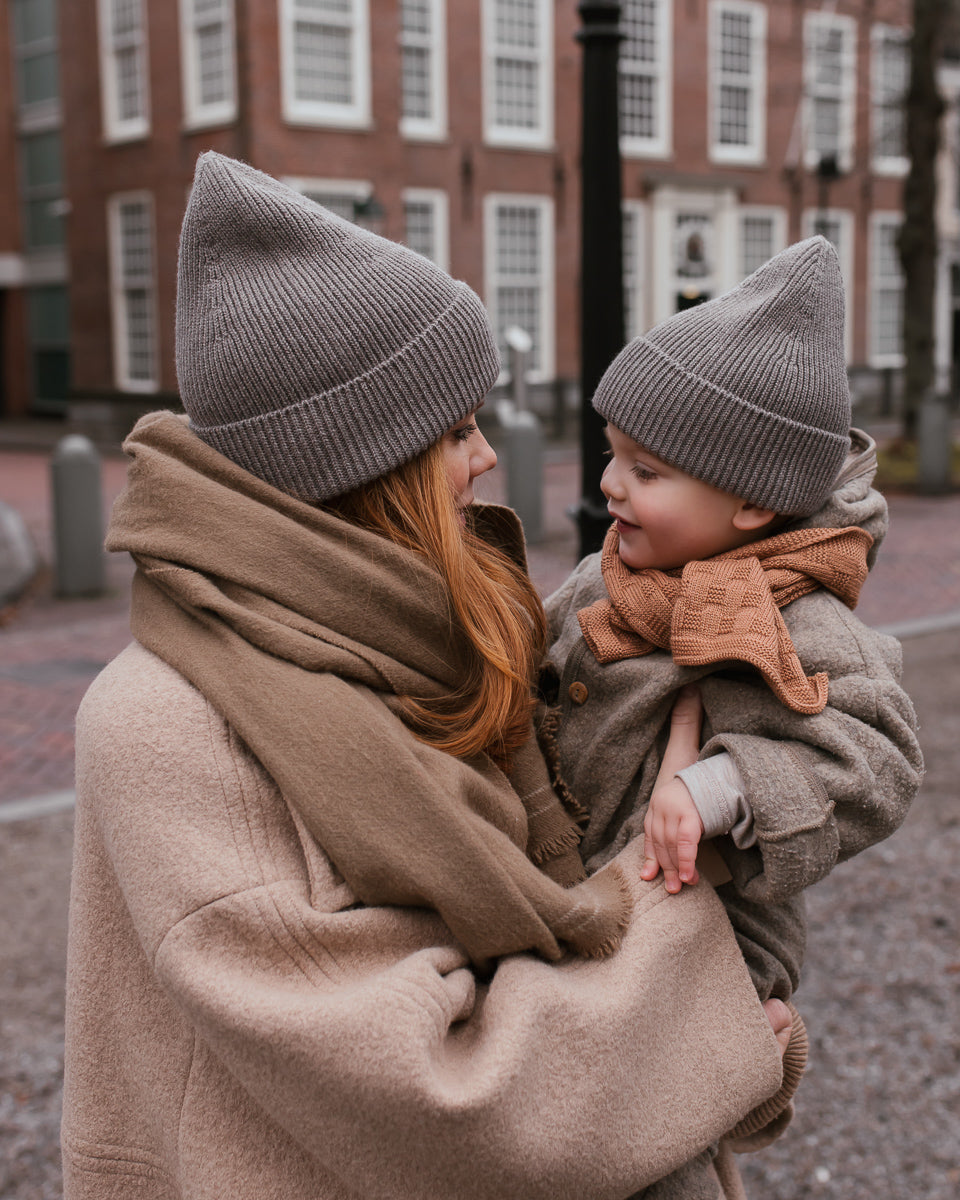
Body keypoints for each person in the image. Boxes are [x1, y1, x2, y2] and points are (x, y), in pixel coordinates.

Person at [61, 153, 791, 1200]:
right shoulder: (173, 726)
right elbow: (443, 1098)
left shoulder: (440, 646)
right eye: (455, 430)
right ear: (360, 464)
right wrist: (676, 898)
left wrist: (736, 1038)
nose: (487, 457)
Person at [543, 237, 924, 1012]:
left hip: (715, 939)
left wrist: (724, 788)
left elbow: (882, 761)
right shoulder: (603, 575)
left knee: (654, 1107)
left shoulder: (798, 614)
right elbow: (529, 662)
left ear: (752, 502)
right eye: (612, 454)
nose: (611, 483)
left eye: (646, 471)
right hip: (571, 891)